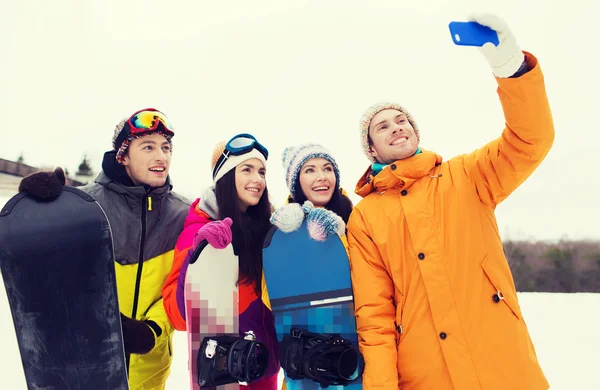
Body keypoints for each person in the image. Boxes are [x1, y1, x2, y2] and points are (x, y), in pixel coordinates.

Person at [346, 14, 553, 390]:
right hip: (425, 374)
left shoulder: (467, 176)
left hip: (501, 361)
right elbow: (374, 314)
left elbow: (530, 140)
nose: (396, 126)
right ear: (371, 149)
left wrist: (511, 68)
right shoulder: (365, 218)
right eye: (383, 125)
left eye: (402, 120)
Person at [19, 108, 190, 390]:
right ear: (122, 156)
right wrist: (37, 205)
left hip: (149, 371)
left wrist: (152, 330)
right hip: (86, 366)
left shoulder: (182, 215)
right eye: (148, 146)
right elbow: (43, 265)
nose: (161, 157)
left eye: (166, 147)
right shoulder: (84, 206)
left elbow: (180, 286)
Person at [162, 133, 280, 390]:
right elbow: (179, 317)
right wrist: (198, 253)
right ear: (225, 177)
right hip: (225, 372)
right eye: (246, 170)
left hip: (265, 367)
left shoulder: (267, 229)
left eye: (261, 172)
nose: (257, 179)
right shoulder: (198, 228)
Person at [270, 143, 353, 244]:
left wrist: (339, 233)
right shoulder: (285, 226)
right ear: (296, 182)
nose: (322, 177)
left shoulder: (356, 215)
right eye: (310, 170)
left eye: (327, 169)